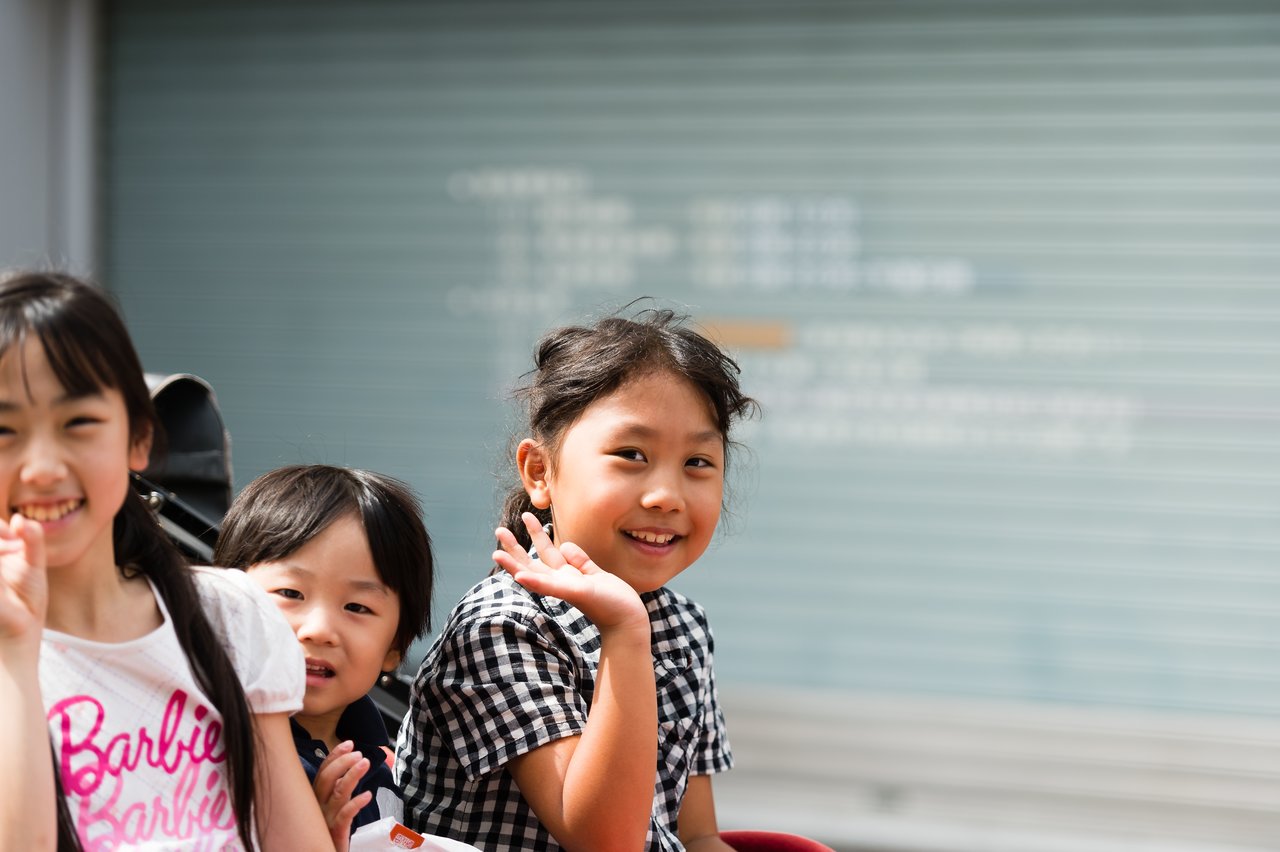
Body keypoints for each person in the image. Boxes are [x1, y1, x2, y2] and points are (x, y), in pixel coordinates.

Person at [396, 307, 758, 851]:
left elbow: (697, 835)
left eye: (698, 463)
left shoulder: (684, 625)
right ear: (540, 472)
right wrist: (625, 632)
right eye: (631, 454)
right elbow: (604, 840)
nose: (667, 495)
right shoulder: (503, 626)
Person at [0, 271, 336, 851]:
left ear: (139, 439)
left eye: (77, 423)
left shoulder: (227, 614)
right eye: (4, 429)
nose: (43, 468)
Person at [214, 464, 435, 841]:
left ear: (395, 647)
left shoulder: (383, 766)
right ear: (224, 602)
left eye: (357, 607)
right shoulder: (210, 750)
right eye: (290, 594)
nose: (318, 630)